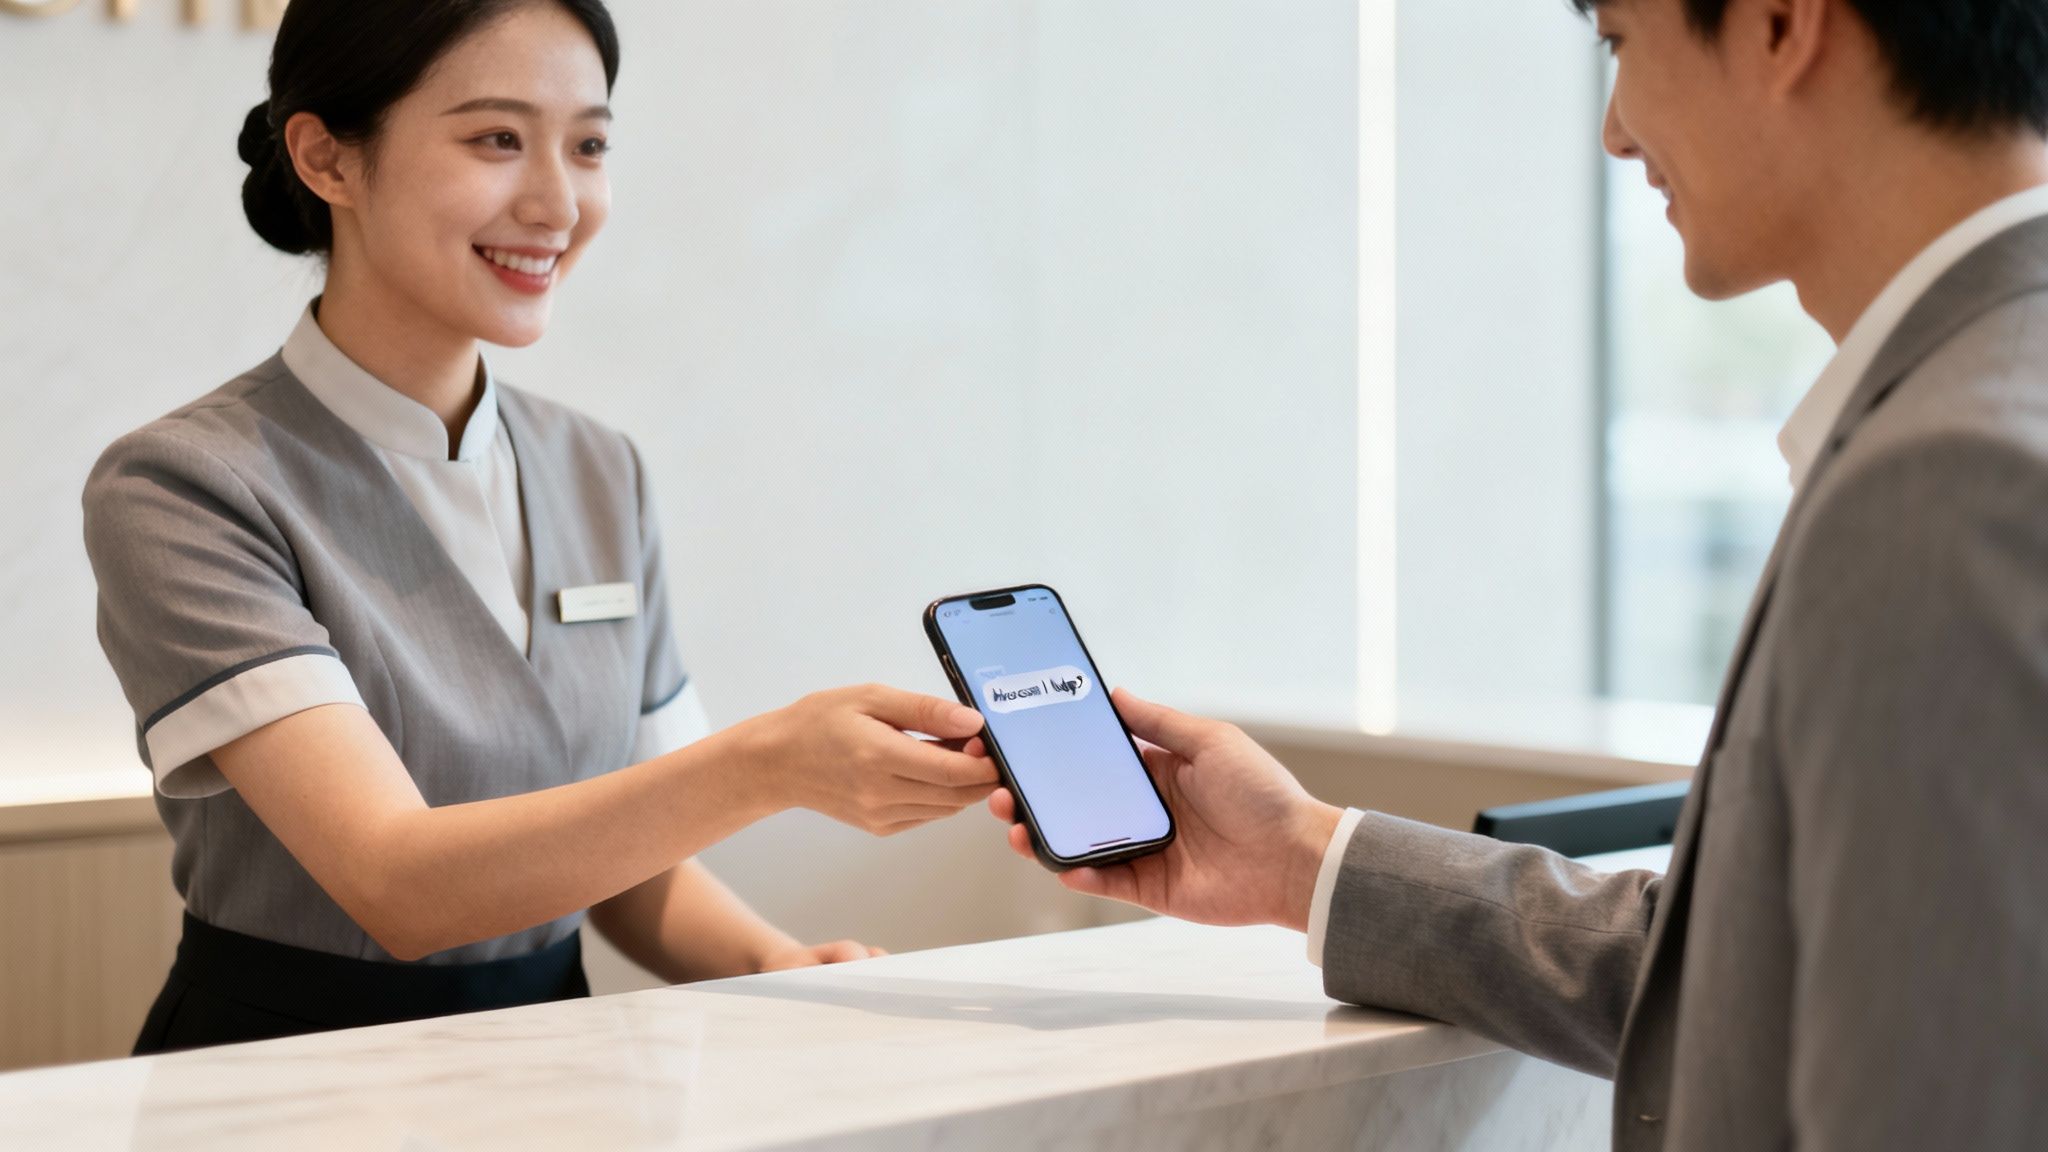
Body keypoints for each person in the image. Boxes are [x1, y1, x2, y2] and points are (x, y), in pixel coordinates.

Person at [991, 1, 2048, 1148]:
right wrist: (1297, 856)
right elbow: (1740, 975)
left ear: (1779, 24)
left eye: (1619, 45)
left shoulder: (1950, 479)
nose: (1613, 131)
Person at [83, 0, 996, 1056]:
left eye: (590, 145)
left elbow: (628, 864)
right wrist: (770, 763)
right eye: (496, 139)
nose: (559, 202)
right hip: (278, 1077)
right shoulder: (187, 485)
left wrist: (773, 963)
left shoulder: (599, 471)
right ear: (326, 158)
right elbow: (398, 883)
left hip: (558, 1073)